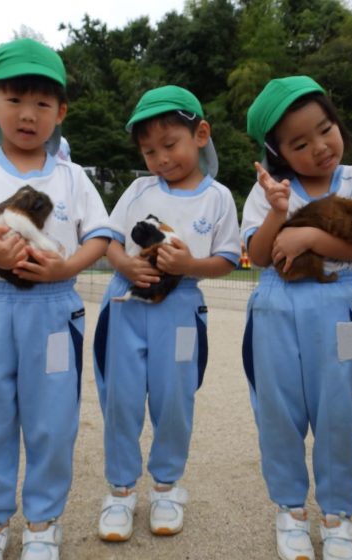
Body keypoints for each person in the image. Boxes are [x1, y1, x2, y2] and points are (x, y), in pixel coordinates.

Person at [0, 38, 111, 560]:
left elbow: (100, 235)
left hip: (54, 310)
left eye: (42, 104)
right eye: (15, 101)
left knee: (52, 419)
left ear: (60, 112)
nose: (28, 115)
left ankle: (42, 522)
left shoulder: (73, 177)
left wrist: (68, 265)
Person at [240, 75, 352, 560]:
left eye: (326, 129)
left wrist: (308, 239)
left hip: (340, 306)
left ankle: (338, 514)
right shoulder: (268, 189)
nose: (321, 147)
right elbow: (260, 257)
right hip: (276, 306)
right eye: (301, 143)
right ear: (278, 152)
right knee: (278, 413)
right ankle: (290, 512)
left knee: (338, 412)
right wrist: (278, 212)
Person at [92, 85, 241, 542]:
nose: (160, 158)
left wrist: (189, 265)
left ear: (200, 134)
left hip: (180, 307)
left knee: (175, 399)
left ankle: (166, 486)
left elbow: (229, 258)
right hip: (125, 303)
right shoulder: (138, 189)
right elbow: (109, 239)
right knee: (120, 398)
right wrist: (125, 264)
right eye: (149, 150)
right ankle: (119, 492)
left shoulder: (218, 197)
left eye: (169, 145)